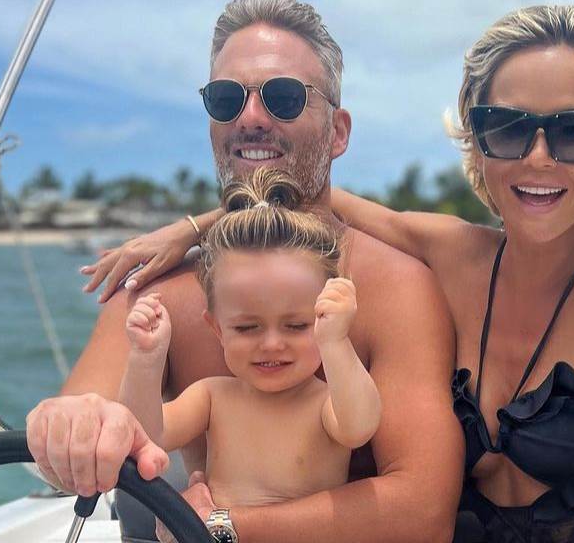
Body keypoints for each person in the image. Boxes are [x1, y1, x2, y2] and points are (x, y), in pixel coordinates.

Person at [82, 0, 574, 539]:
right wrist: (197, 227)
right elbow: (306, 188)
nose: (538, 157)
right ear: (479, 145)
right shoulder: (453, 254)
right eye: (508, 128)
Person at [27, 0, 462, 543]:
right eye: (226, 99)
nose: (250, 117)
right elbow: (80, 424)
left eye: (283, 98)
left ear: (337, 132)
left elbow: (423, 511)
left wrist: (217, 528)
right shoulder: (160, 293)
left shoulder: (395, 288)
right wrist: (64, 427)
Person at [120, 168, 381, 541]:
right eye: (247, 328)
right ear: (217, 329)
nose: (272, 344)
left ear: (322, 320)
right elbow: (146, 437)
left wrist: (337, 342)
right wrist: (146, 361)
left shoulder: (326, 403)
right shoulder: (212, 396)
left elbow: (360, 425)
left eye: (296, 326)